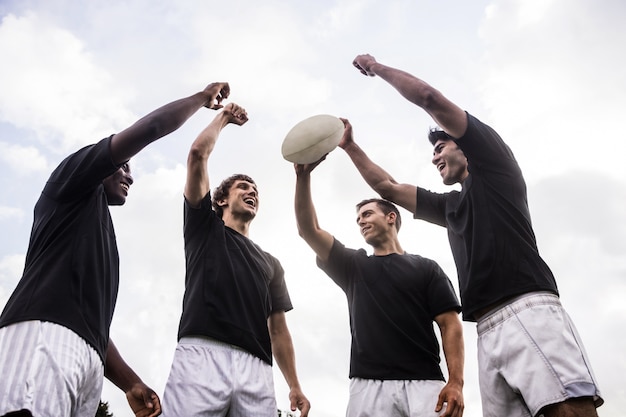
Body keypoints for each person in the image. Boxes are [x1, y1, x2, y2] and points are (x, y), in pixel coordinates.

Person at [346, 54, 604, 417]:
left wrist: (376, 67)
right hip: (486, 329)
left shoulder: (497, 169)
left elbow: (428, 98)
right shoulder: (450, 207)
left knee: (567, 411)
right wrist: (348, 145)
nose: (434, 158)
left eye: (440, 148)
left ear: (465, 148)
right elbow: (385, 186)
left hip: (528, 309)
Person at [0, 81, 232, 417]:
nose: (130, 176)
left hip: (87, 361)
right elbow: (151, 128)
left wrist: (130, 382)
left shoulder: (100, 235)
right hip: (43, 337)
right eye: (123, 166)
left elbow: (89, 321)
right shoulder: (71, 180)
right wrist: (201, 98)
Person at [160, 103, 310, 417]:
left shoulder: (271, 263)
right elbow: (197, 153)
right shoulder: (204, 228)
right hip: (202, 352)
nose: (252, 191)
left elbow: (279, 330)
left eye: (256, 189)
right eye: (243, 187)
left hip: (257, 366)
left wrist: (294, 384)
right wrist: (224, 117)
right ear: (221, 199)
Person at [294, 157, 464, 417]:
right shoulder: (352, 265)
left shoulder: (427, 268)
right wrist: (302, 177)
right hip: (367, 387)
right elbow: (308, 230)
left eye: (367, 214)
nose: (361, 221)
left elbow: (449, 324)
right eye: (358, 218)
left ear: (391, 217)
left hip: (426, 385)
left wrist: (456, 382)